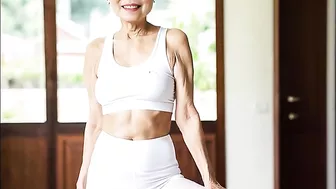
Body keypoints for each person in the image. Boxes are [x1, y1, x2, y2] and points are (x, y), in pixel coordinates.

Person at [76, 0, 225, 189]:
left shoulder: (173, 41)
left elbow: (187, 114)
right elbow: (95, 121)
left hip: (162, 175)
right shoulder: (96, 50)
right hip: (106, 172)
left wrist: (209, 179)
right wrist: (83, 176)